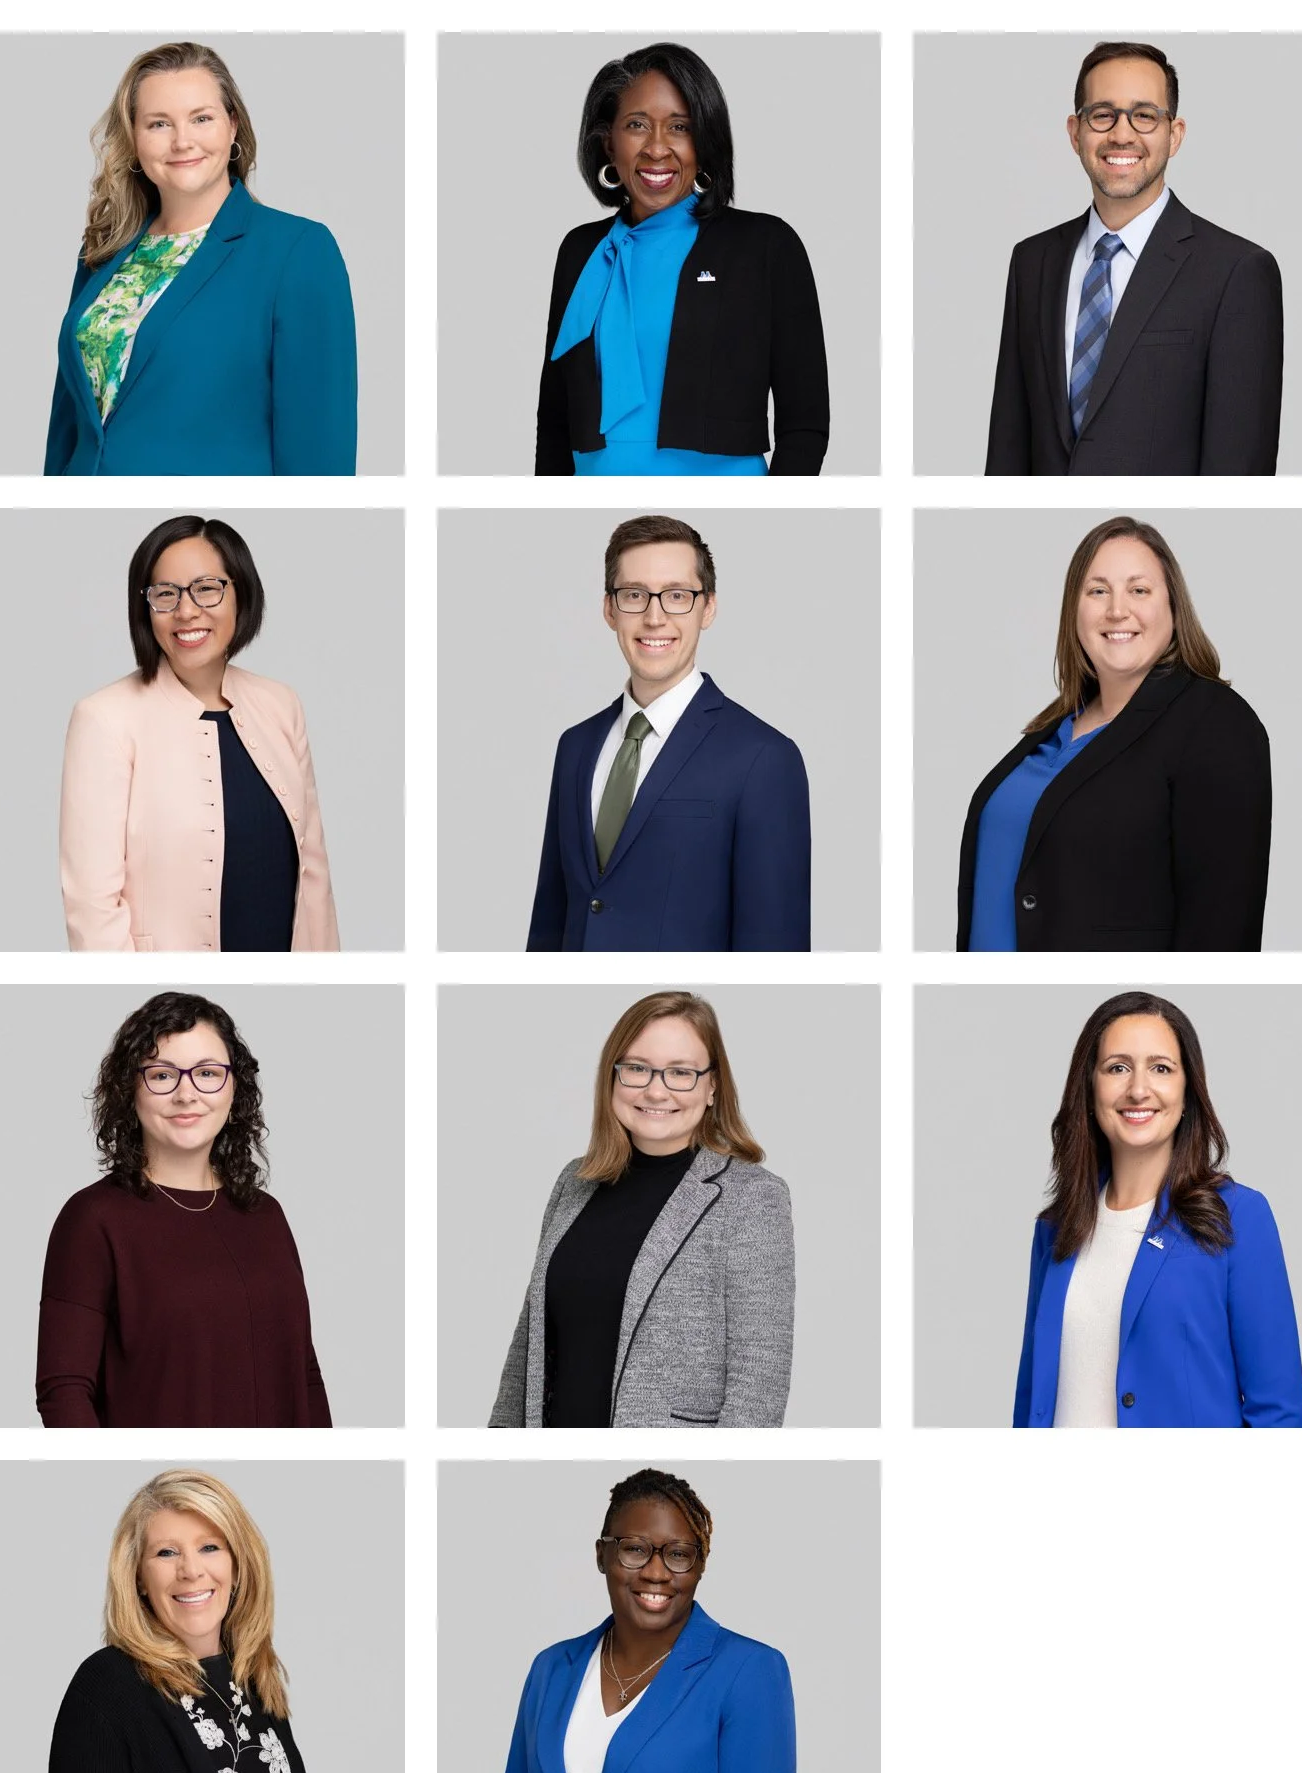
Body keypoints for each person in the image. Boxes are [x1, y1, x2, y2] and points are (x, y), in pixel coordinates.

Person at [955, 516, 1271, 952]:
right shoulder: (1051, 730)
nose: (1117, 609)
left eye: (1139, 590)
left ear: (1173, 607)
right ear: (1074, 609)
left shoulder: (1216, 725)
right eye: (1097, 590)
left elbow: (1222, 935)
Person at [44, 41, 356, 476]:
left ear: (232, 127)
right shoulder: (104, 249)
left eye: (201, 118)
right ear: (134, 138)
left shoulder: (296, 250)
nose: (182, 140)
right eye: (158, 124)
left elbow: (319, 450)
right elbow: (68, 426)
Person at [485, 1468, 796, 1773]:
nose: (656, 1572)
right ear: (601, 1555)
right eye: (634, 1550)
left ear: (700, 1565)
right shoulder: (551, 1670)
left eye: (679, 1554)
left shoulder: (749, 1673)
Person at [490, 991, 795, 1428]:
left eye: (681, 1072)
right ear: (612, 1077)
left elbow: (759, 1381)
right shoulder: (574, 1183)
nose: (656, 1089)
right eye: (637, 1068)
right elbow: (528, 1345)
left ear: (712, 1086)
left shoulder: (751, 1198)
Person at [985, 40, 1283, 476]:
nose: (1121, 134)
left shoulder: (1236, 272)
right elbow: (1008, 453)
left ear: (1174, 134)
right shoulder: (1032, 262)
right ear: (1075, 132)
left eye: (1144, 116)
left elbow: (1239, 474)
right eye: (1102, 114)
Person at [35, 992, 331, 1427]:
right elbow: (64, 1392)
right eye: (161, 1075)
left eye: (207, 1073)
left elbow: (304, 1374)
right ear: (128, 1088)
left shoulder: (266, 1215)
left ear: (234, 1086)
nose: (186, 1094)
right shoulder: (93, 1218)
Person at [1014, 991, 1302, 1428]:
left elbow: (1279, 1415)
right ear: (1089, 1087)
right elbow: (1030, 1399)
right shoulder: (1056, 1230)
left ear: (1187, 1091)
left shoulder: (1238, 1216)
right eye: (1117, 1067)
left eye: (1161, 1068)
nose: (1138, 1089)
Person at [535, 42, 828, 476]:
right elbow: (555, 422)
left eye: (680, 128)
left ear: (705, 142)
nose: (656, 148)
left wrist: (774, 516)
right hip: (595, 503)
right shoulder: (581, 252)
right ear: (608, 143)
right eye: (636, 125)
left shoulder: (765, 245)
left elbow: (804, 423)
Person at [528, 515, 810, 952]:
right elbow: (551, 920)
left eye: (677, 596)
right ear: (609, 608)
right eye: (635, 595)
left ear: (708, 607)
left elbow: (774, 949)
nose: (654, 617)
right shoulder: (575, 746)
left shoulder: (764, 758)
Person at [58, 515, 339, 952]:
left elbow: (314, 879)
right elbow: (92, 908)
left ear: (240, 594)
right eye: (165, 594)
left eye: (207, 588)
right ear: (145, 608)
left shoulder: (282, 704)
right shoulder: (105, 718)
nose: (186, 611)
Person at [43, 1468, 316, 1773]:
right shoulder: (106, 1691)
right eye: (167, 1553)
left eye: (210, 1547)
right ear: (138, 1578)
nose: (191, 1571)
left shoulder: (254, 1683)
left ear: (237, 1565)